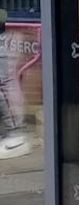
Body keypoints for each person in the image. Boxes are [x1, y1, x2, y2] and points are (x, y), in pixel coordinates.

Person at [0, 9, 31, 159]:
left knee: (4, 82)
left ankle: (17, 136)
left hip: (7, 30)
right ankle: (13, 133)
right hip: (8, 29)